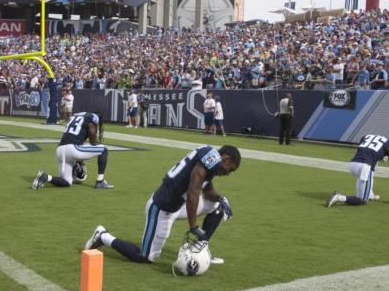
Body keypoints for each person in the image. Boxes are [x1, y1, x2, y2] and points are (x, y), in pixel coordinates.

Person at [85, 145, 241, 265]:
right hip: (161, 208)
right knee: (145, 258)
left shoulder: (209, 160)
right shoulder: (212, 158)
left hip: (179, 204)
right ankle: (102, 236)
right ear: (225, 158)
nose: (228, 173)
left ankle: (200, 248)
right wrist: (193, 226)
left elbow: (206, 190)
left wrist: (221, 198)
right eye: (230, 169)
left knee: (218, 206)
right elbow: (193, 192)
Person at [32, 111, 114, 190]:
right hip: (72, 149)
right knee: (104, 150)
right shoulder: (93, 118)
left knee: (67, 182)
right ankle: (100, 181)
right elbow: (93, 142)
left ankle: (46, 177)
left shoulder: (77, 116)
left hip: (60, 150)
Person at [327, 133, 389, 207]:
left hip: (353, 164)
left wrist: (380, 155)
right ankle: (339, 198)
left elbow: (366, 147)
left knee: (371, 171)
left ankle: (369, 194)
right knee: (362, 200)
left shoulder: (368, 136)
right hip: (364, 167)